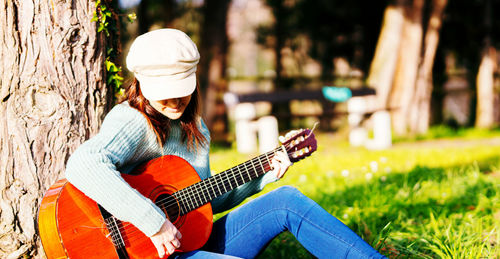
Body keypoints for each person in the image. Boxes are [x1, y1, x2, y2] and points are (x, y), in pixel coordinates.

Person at [65, 28, 385, 259]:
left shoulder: (197, 128)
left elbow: (202, 203)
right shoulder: (132, 120)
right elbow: (83, 165)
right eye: (163, 90)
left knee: (286, 199)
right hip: (141, 252)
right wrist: (153, 221)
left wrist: (264, 173)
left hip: (188, 244)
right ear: (142, 85)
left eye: (181, 87)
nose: (175, 99)